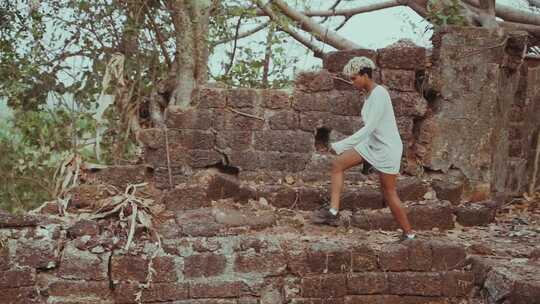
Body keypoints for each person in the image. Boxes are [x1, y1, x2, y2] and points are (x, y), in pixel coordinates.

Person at [311, 56, 416, 241]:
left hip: (387, 149)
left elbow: (369, 127)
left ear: (365, 75)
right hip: (371, 144)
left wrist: (341, 145)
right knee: (338, 164)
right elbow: (370, 131)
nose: (352, 83)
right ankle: (333, 212)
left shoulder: (379, 94)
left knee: (389, 192)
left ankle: (409, 235)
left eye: (354, 78)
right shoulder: (368, 95)